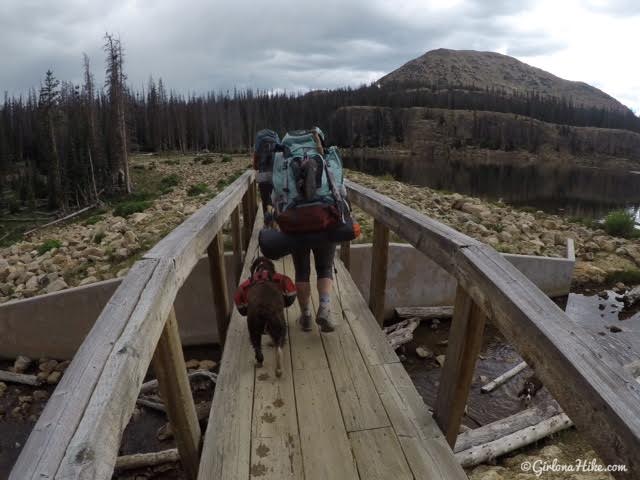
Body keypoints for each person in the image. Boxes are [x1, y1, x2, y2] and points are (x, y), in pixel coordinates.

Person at [291, 127, 336, 333]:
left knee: (301, 271)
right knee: (325, 268)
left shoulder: (289, 162)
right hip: (323, 221)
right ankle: (325, 308)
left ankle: (306, 316)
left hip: (297, 223)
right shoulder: (327, 162)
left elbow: (278, 197)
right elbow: (341, 191)